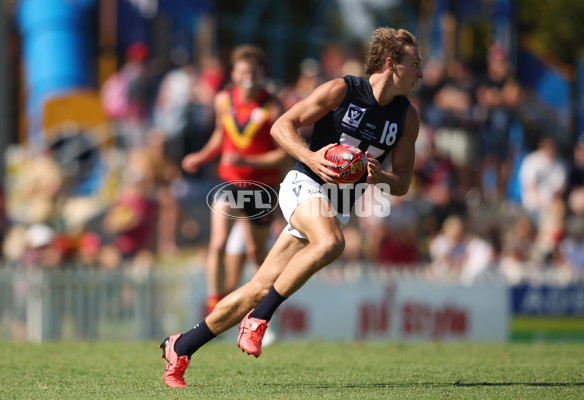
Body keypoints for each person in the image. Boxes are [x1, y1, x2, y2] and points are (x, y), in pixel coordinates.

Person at [160, 27, 423, 387]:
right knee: (331, 244)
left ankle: (181, 346)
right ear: (392, 64)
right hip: (304, 185)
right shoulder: (342, 89)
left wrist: (381, 177)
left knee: (257, 286)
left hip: (335, 206)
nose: (421, 73)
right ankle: (259, 320)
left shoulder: (408, 117)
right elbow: (283, 126)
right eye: (415, 64)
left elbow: (404, 181)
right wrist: (310, 158)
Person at [180, 45, 288, 316]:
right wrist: (201, 157)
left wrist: (248, 161)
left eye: (253, 71)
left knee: (256, 252)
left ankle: (261, 309)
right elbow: (220, 136)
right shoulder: (223, 100)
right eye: (243, 71)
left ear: (261, 73)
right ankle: (214, 304)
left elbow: (282, 155)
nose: (248, 76)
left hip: (262, 187)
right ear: (234, 74)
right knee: (217, 242)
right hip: (229, 182)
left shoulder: (272, 106)